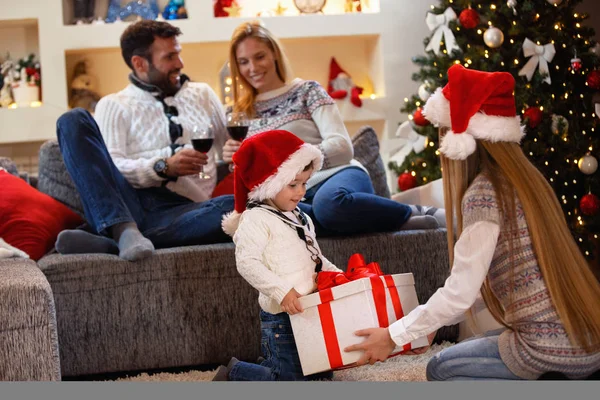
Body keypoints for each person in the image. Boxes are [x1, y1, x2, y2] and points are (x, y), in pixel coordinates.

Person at [343, 65, 600, 380]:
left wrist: (393, 336)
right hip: (587, 339)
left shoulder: (484, 194)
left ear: (459, 140)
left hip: (548, 351)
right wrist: (421, 329)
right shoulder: (527, 180)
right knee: (474, 345)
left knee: (440, 368)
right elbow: (477, 285)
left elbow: (460, 293)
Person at [219, 21, 444, 237]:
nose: (253, 68)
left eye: (259, 57)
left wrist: (294, 164)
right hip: (294, 195)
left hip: (337, 175)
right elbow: (257, 181)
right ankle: (384, 221)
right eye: (243, 61)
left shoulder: (307, 91)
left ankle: (412, 213)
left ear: (274, 55)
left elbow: (342, 147)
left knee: (329, 205)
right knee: (282, 218)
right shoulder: (240, 114)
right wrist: (236, 162)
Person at [54, 20, 234, 261]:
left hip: (185, 210)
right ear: (139, 63)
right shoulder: (114, 105)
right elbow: (110, 167)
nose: (179, 64)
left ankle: (115, 242)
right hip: (129, 205)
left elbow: (230, 152)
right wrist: (162, 167)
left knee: (234, 209)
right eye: (169, 57)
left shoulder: (203, 95)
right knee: (72, 120)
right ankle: (124, 230)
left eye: (178, 54)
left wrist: (237, 150)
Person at [213, 130, 343, 381]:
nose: (300, 192)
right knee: (287, 382)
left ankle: (272, 364)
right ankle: (235, 374)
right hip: (281, 318)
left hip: (310, 310)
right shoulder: (256, 219)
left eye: (304, 183)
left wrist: (338, 276)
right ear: (268, 182)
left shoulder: (300, 217)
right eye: (292, 184)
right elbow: (247, 263)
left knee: (319, 372)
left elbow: (315, 257)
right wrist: (281, 290)